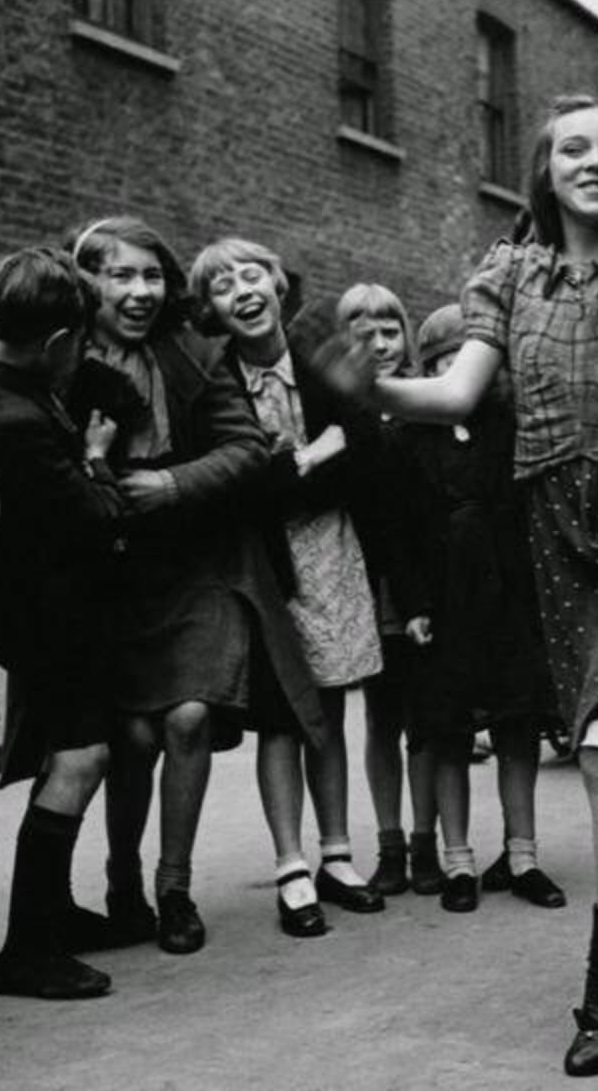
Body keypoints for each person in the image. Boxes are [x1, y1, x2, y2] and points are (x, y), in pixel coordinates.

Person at [301, 94, 598, 1077]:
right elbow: (459, 392)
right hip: (553, 540)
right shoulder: (509, 272)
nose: (591, 161)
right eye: (572, 148)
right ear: (544, 169)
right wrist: (372, 388)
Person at [70, 217, 284, 955]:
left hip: (199, 562)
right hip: (116, 571)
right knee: (131, 735)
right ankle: (121, 880)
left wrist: (173, 482)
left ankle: (174, 887)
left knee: (189, 717)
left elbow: (248, 448)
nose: (138, 291)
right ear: (86, 282)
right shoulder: (62, 360)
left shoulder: (194, 353)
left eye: (151, 276)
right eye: (119, 276)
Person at [189, 237, 386, 921]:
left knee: (327, 707)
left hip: (332, 550)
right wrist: (312, 459)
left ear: (279, 288)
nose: (242, 291)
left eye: (253, 276)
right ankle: (290, 866)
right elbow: (241, 488)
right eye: (222, 286)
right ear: (211, 310)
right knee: (281, 715)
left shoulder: (318, 370)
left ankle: (336, 854)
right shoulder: (215, 384)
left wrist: (298, 462)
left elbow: (367, 453)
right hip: (262, 562)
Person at [0, 247, 129, 1000]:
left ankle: (53, 915)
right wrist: (96, 459)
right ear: (61, 341)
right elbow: (96, 518)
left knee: (74, 756)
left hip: (31, 612)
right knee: (81, 759)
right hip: (50, 617)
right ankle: (27, 948)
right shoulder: (19, 418)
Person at [395, 303, 565, 915]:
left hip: (507, 597)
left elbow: (532, 514)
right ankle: (459, 859)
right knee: (447, 734)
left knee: (517, 726)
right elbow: (403, 534)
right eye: (443, 363)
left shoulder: (510, 429)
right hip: (443, 602)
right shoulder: (410, 440)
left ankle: (523, 855)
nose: (457, 375)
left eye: (470, 361)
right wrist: (412, 604)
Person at [334, 283, 443, 898]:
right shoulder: (339, 411)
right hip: (367, 579)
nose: (377, 344)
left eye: (389, 331)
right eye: (361, 332)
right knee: (380, 716)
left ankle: (427, 841)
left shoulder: (425, 405)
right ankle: (390, 844)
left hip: (422, 580)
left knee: (423, 717)